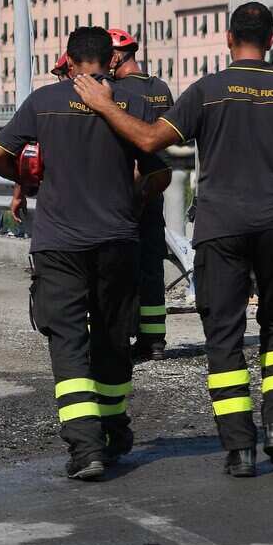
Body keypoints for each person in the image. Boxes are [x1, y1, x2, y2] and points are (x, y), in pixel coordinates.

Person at [72, 2, 273, 477]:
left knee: (225, 336)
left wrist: (106, 106)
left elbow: (151, 140)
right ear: (271, 41)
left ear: (228, 39)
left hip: (220, 230)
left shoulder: (208, 92)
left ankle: (239, 449)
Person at [0, 27, 170, 480]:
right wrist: (136, 198)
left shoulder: (42, 102)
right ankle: (113, 427)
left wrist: (30, 182)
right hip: (117, 239)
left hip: (59, 243)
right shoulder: (131, 103)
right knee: (112, 337)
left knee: (68, 341)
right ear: (110, 61)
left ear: (67, 60)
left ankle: (86, 448)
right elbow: (158, 172)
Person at [107, 29, 175, 360]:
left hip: (124, 188)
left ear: (118, 56)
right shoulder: (160, 89)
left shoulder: (116, 92)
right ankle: (154, 339)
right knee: (152, 263)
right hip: (155, 185)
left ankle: (121, 334)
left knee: (120, 265)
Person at [11, 54, 74, 222]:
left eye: (60, 75)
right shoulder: (106, 98)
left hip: (57, 199)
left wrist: (19, 193)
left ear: (70, 70)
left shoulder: (46, 103)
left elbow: (26, 155)